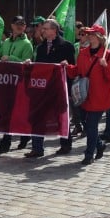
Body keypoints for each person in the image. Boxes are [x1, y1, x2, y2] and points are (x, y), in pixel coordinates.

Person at [25, 19, 77, 159]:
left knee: (61, 117)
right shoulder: (41, 47)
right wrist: (31, 64)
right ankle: (37, 148)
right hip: (42, 88)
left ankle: (66, 144)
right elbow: (39, 66)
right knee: (37, 117)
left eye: (46, 28)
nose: (43, 30)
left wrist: (67, 67)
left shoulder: (66, 46)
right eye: (43, 28)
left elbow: (73, 69)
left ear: (54, 30)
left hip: (59, 88)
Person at [70, 25, 110, 166]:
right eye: (89, 34)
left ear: (100, 37)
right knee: (87, 125)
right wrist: (66, 67)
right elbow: (78, 71)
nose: (89, 36)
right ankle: (100, 145)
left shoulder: (108, 56)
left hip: (99, 97)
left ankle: (89, 154)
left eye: (92, 34)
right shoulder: (83, 53)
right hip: (83, 95)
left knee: (91, 126)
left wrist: (106, 66)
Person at [0, 16, 35, 154]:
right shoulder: (5, 42)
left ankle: (20, 137)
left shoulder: (27, 44)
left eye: (23, 24)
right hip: (5, 83)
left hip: (19, 83)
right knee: (7, 112)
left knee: (18, 112)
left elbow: (26, 64)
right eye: (17, 24)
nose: (20, 26)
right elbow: (1, 58)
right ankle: (8, 140)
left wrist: (11, 58)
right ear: (12, 25)